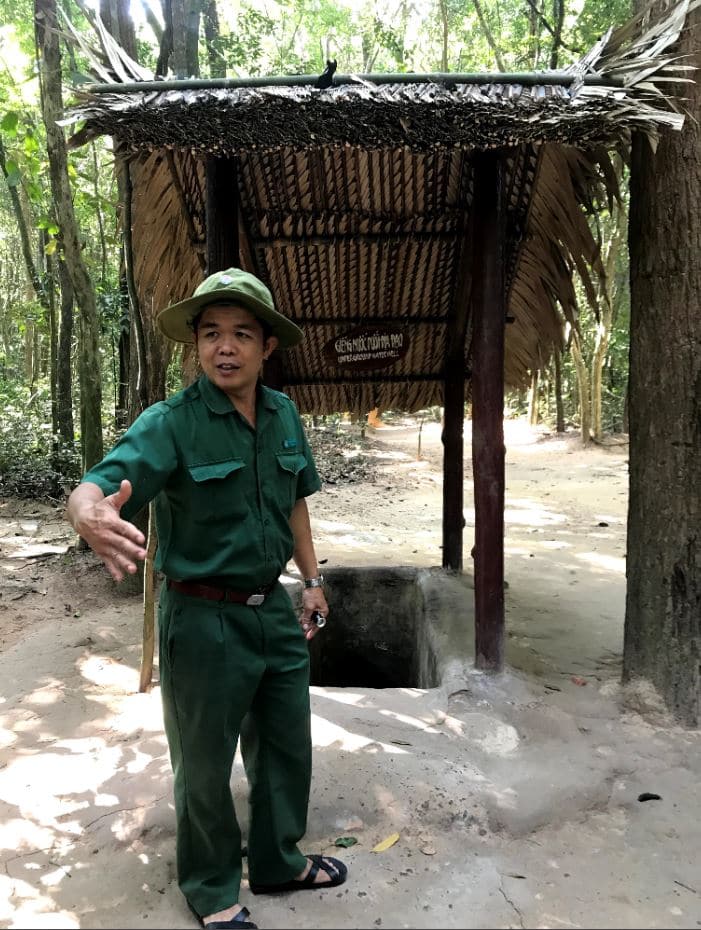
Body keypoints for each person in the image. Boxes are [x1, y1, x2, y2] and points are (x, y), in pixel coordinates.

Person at [66, 268, 348, 930]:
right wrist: (85, 508)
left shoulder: (281, 414)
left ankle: (279, 862)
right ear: (195, 344)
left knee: (284, 747)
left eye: (241, 334)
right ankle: (211, 887)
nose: (226, 348)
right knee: (203, 762)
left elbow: (294, 502)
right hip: (200, 617)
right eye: (212, 334)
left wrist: (310, 581)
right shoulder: (171, 423)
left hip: (272, 609)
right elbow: (105, 478)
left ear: (266, 346)